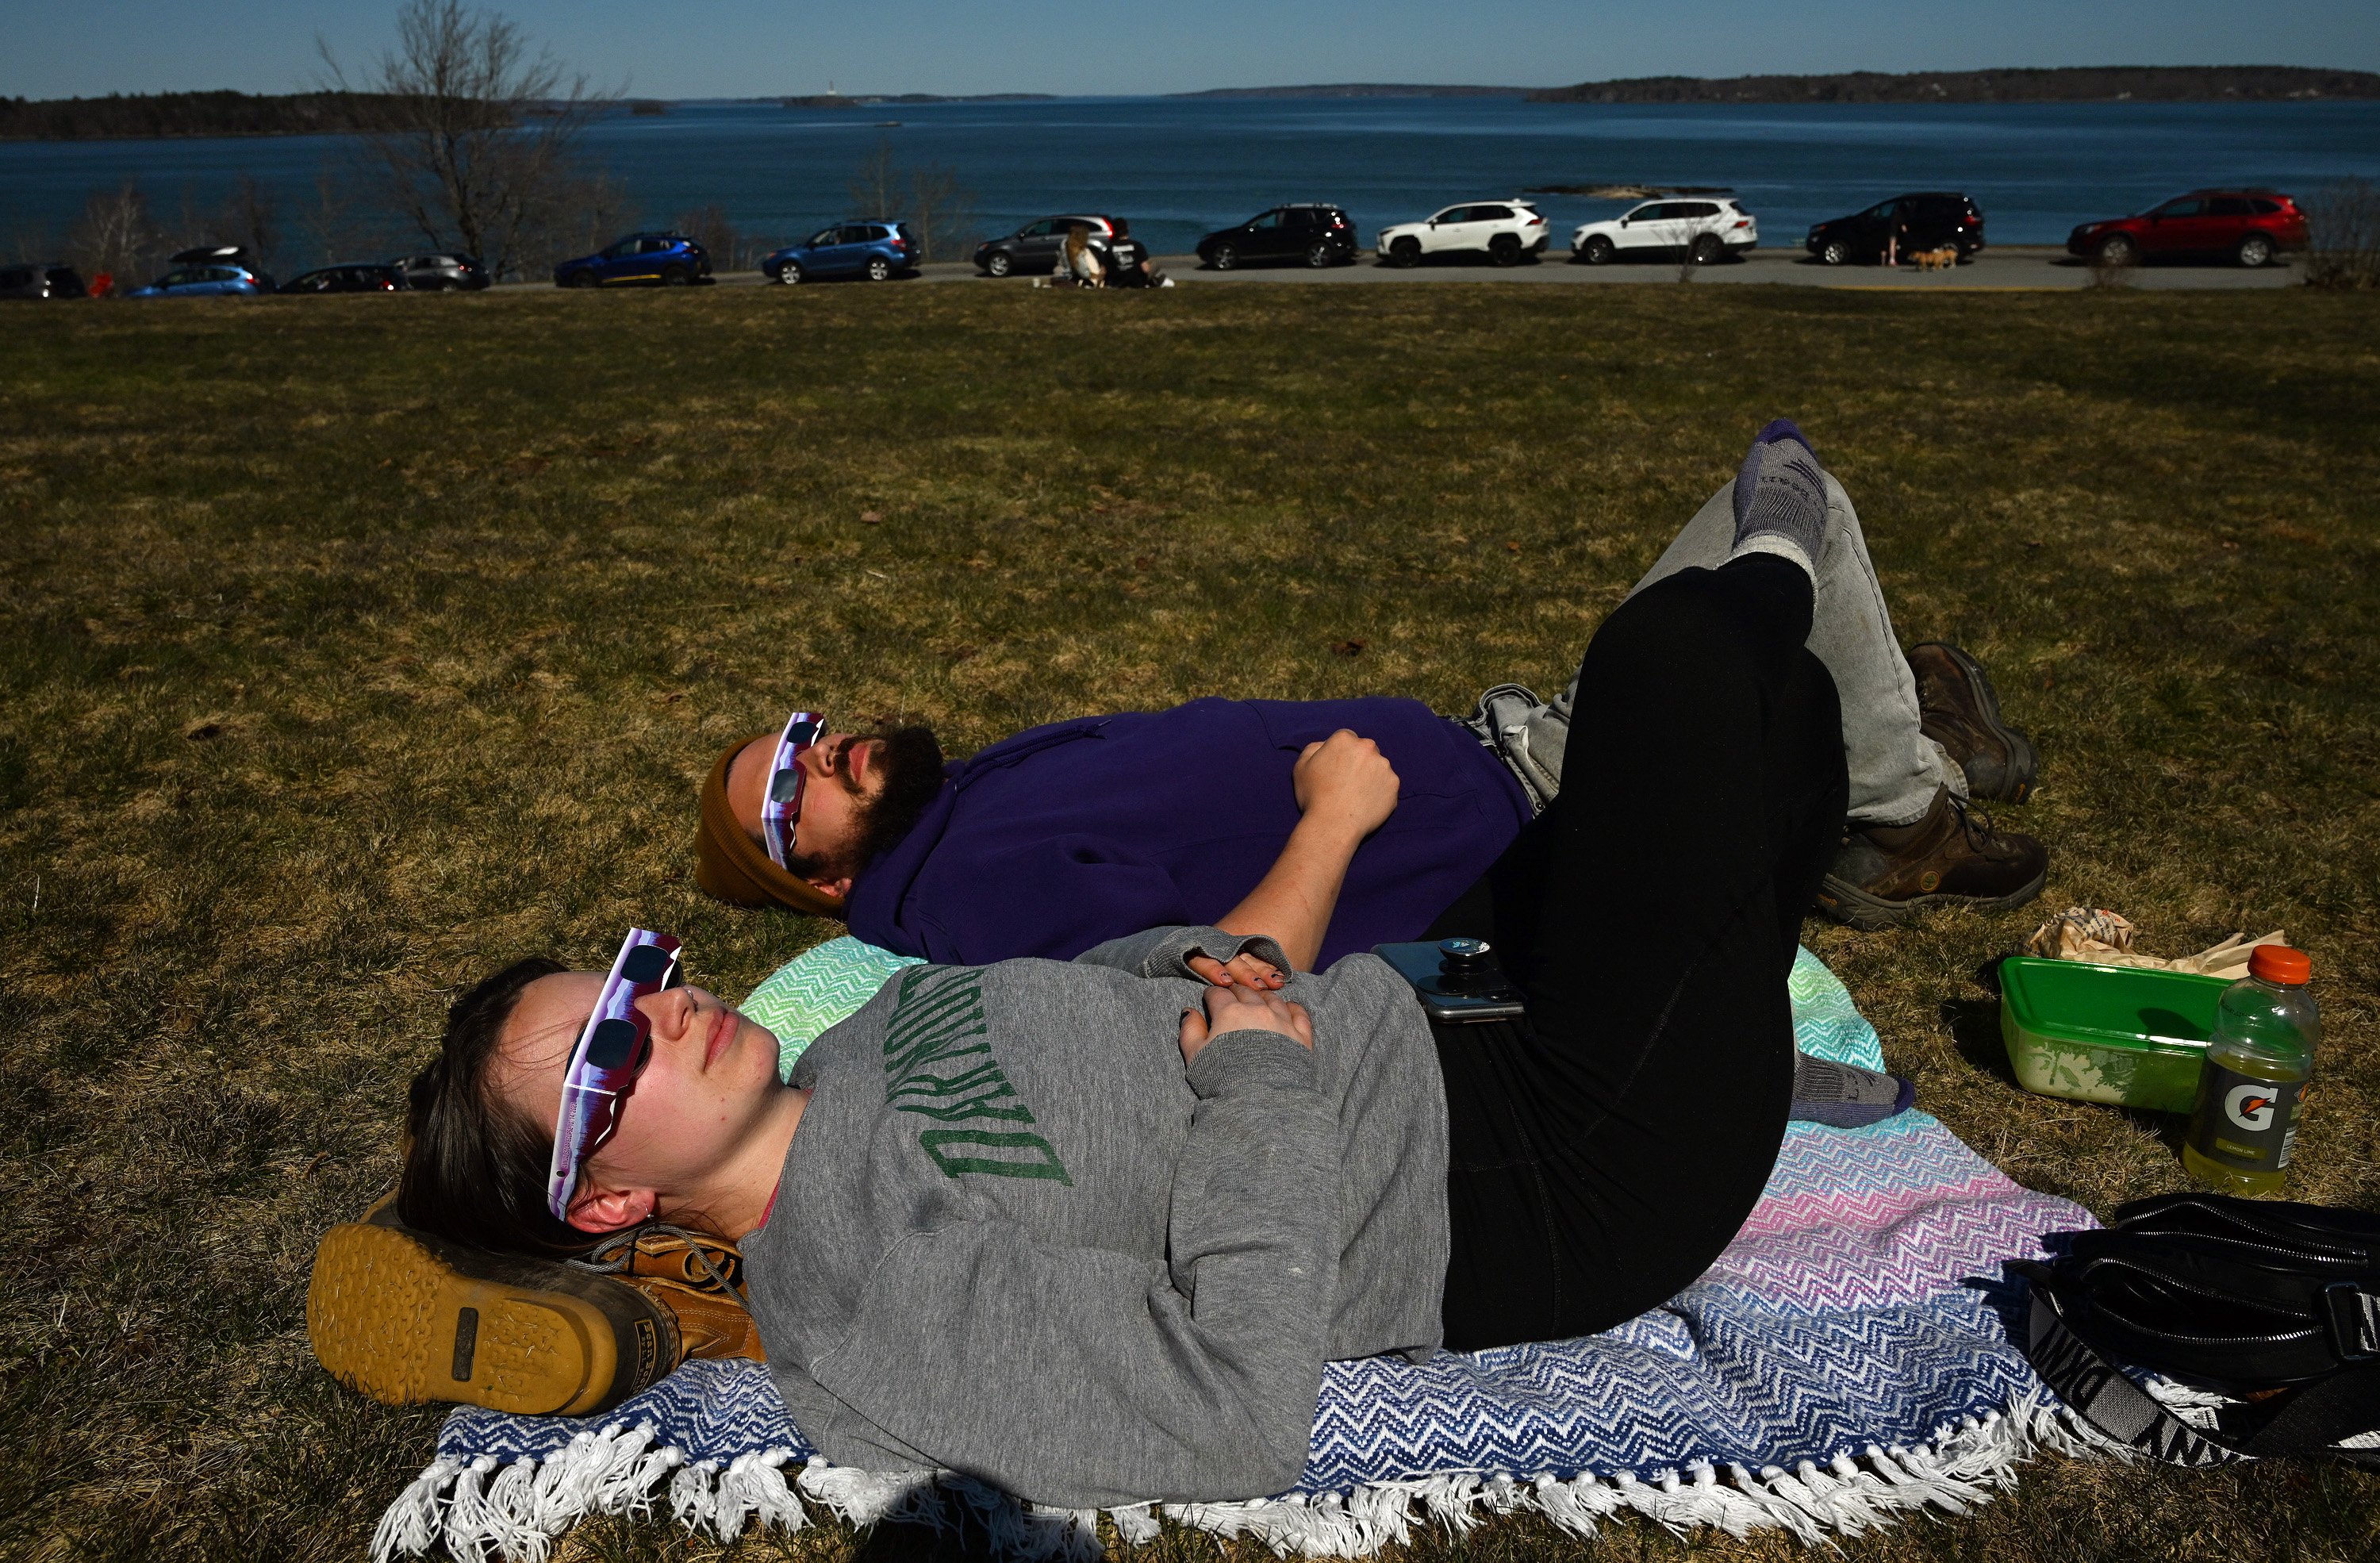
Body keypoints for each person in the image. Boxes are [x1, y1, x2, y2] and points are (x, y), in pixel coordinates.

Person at [330, 422, 1908, 1505]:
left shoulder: (864, 1042)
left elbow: (1139, 982)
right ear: (608, 1201)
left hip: (1468, 1018)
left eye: (634, 977)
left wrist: (1209, 962)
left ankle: (1739, 995)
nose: (666, 1011)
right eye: (610, 1054)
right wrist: (1262, 1084)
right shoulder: (852, 1294)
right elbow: (1228, 1414)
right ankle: (1784, 558)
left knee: (1785, 729)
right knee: (1668, 669)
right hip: (1544, 1174)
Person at [693, 444, 2045, 963]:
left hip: (1511, 743)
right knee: (1792, 496)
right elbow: (1208, 975)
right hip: (1550, 810)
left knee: (1781, 523)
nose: (822, 751)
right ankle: (1909, 804)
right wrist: (1333, 817)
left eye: (802, 733)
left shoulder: (958, 804)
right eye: (788, 793)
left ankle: (1912, 744)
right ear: (815, 882)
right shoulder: (958, 887)